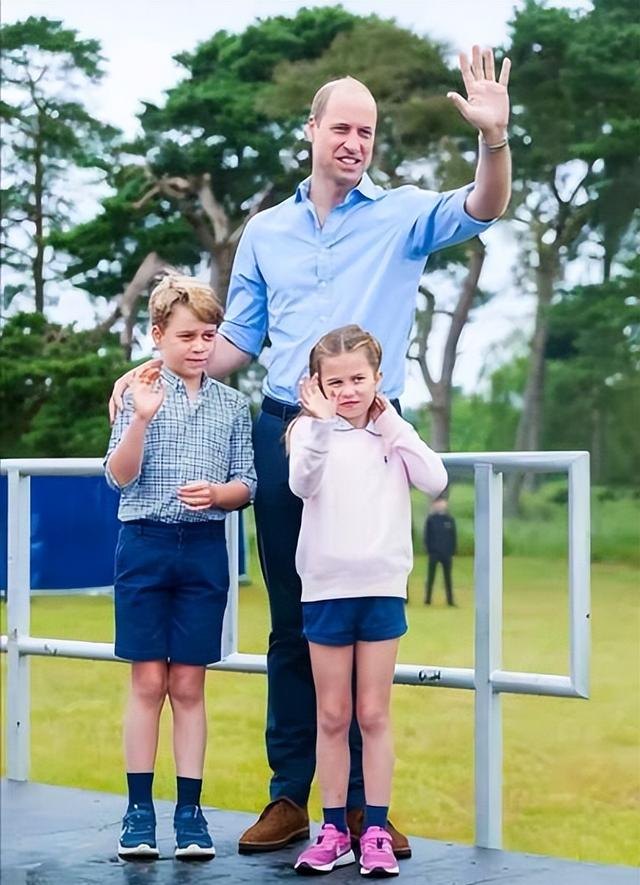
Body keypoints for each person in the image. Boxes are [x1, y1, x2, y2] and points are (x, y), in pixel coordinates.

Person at [111, 45, 511, 858]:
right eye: (342, 127)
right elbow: (240, 342)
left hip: (369, 442)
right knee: (295, 621)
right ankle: (293, 798)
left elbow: (484, 204)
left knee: (364, 616)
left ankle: (366, 809)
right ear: (312, 131)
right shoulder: (266, 230)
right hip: (287, 432)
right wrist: (158, 364)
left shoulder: (401, 215)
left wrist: (494, 139)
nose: (355, 141)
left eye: (367, 130)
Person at [105, 275, 256, 860]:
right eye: (187, 335)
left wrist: (222, 496)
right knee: (147, 681)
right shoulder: (137, 393)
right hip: (143, 543)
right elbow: (118, 476)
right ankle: (137, 810)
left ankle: (190, 812)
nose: (199, 346)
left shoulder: (232, 404)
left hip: (203, 550)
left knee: (189, 684)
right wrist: (141, 419)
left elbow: (249, 482)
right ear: (158, 335)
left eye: (209, 336)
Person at [287, 325, 447, 876]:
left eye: (358, 378)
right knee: (331, 715)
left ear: (378, 378)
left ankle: (375, 828)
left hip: (380, 590)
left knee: (373, 713)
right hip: (326, 592)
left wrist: (392, 424)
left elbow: (434, 478)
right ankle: (333, 830)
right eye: (335, 381)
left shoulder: (393, 435)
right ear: (317, 385)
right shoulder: (310, 434)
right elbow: (302, 484)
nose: (348, 390)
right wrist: (323, 423)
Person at [424, 498, 457, 606]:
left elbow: (453, 537)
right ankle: (427, 599)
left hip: (446, 553)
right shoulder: (431, 520)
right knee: (431, 577)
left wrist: (452, 551)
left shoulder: (449, 520)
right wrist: (430, 550)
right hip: (434, 553)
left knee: (448, 577)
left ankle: (450, 600)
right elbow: (427, 536)